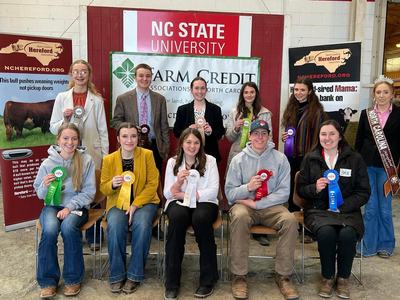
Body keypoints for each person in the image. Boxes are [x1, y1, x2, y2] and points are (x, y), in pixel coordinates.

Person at [225, 119, 299, 300]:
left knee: (290, 220)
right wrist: (247, 187)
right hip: (244, 206)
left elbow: (284, 193)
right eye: (256, 133)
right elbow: (230, 193)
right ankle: (239, 276)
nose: (260, 137)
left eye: (263, 133)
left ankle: (283, 276)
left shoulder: (280, 159)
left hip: (271, 206)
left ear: (269, 136)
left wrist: (258, 204)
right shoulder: (238, 159)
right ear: (249, 136)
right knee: (240, 217)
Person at [297, 120, 370, 299]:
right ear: (319, 137)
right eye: (323, 134)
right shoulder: (311, 158)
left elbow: (363, 191)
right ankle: (327, 278)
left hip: (348, 211)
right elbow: (301, 189)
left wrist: (343, 205)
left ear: (339, 136)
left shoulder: (355, 158)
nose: (327, 138)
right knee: (326, 233)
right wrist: (315, 187)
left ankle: (343, 279)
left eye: (331, 134)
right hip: (318, 210)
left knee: (347, 235)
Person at [49, 59, 109, 250]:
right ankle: (72, 231)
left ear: (89, 75)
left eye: (84, 71)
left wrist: (105, 157)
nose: (80, 74)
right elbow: (53, 128)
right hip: (68, 153)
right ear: (71, 74)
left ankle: (94, 236)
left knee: (94, 193)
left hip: (92, 152)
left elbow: (103, 130)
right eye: (76, 71)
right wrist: (64, 119)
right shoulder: (61, 97)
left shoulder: (96, 100)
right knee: (72, 191)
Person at [33, 123, 96, 299]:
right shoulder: (48, 163)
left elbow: (89, 193)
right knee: (50, 230)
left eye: (74, 138)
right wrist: (45, 186)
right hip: (52, 206)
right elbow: (40, 194)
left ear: (78, 140)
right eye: (66, 138)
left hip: (77, 207)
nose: (70, 142)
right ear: (58, 140)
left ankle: (73, 279)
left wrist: (70, 207)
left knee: (68, 228)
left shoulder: (86, 160)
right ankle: (48, 281)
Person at [100, 122, 159, 294]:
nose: (129, 140)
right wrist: (112, 184)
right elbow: (103, 188)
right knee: (116, 225)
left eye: (133, 136)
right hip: (117, 204)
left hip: (145, 202)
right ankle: (117, 275)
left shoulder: (147, 155)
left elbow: (152, 183)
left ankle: (135, 274)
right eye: (124, 136)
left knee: (141, 225)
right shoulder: (109, 159)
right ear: (118, 139)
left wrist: (135, 204)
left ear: (138, 138)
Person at [163, 128, 219, 300]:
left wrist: (192, 195)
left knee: (200, 218)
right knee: (178, 218)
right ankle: (172, 283)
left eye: (196, 142)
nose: (192, 146)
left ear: (201, 144)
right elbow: (167, 193)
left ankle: (207, 280)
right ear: (181, 144)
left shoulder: (210, 161)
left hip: (204, 202)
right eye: (188, 142)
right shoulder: (173, 163)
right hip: (178, 202)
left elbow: (213, 190)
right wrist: (178, 183)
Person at [355, 75, 400, 258]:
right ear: (374, 94)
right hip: (367, 165)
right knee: (370, 206)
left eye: (385, 92)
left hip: (388, 167)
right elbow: (358, 140)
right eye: (378, 92)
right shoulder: (367, 114)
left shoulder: (398, 114)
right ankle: (366, 245)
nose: (382, 95)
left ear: (392, 94)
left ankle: (386, 245)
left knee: (385, 207)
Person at [225, 81, 273, 247]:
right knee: (241, 188)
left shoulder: (265, 113)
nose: (249, 95)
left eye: (252, 92)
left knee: (260, 187)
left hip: (261, 156)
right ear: (242, 95)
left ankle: (259, 229)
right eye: (246, 92)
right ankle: (241, 223)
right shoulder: (235, 112)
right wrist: (236, 128)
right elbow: (229, 137)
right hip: (239, 155)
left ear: (256, 94)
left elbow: (270, 137)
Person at [111, 63, 169, 172]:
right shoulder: (123, 99)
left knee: (154, 181)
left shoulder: (160, 99)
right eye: (141, 76)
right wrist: (130, 128)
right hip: (131, 145)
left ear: (151, 78)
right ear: (135, 77)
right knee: (131, 179)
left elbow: (164, 126)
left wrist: (165, 148)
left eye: (148, 76)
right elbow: (116, 121)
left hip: (154, 147)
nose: (144, 79)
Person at [281, 77, 326, 213]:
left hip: (307, 157)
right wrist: (285, 138)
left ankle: (307, 218)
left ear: (310, 91)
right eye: (296, 89)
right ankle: (292, 217)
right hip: (290, 156)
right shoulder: (291, 108)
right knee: (291, 186)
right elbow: (290, 132)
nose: (298, 92)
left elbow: (318, 138)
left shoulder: (317, 111)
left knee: (304, 188)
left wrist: (311, 157)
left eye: (302, 90)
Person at [173, 76, 225, 163]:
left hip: (210, 155)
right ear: (191, 90)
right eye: (196, 88)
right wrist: (188, 130)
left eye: (202, 88)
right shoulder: (182, 109)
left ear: (206, 90)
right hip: (188, 155)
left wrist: (211, 131)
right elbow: (176, 132)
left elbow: (220, 132)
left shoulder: (215, 109)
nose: (200, 91)